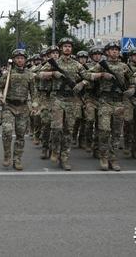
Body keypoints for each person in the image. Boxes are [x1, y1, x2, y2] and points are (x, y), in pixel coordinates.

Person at [84, 41, 135, 171]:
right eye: (112, 50)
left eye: (117, 50)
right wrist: (100, 75)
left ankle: (113, 158)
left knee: (117, 132)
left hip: (119, 101)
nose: (115, 52)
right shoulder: (101, 65)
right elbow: (85, 74)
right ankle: (104, 157)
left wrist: (132, 88)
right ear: (107, 52)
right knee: (104, 130)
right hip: (104, 101)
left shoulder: (124, 66)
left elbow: (132, 79)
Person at [37, 37, 85, 171]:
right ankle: (55, 150)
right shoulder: (54, 62)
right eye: (65, 46)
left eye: (69, 46)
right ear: (61, 48)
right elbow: (39, 74)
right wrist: (53, 73)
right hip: (57, 98)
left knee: (68, 130)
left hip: (71, 100)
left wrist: (82, 83)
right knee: (56, 128)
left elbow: (88, 76)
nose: (67, 48)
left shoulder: (77, 65)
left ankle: (64, 157)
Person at [0, 49, 38, 170]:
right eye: (17, 58)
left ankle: (17, 159)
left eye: (22, 58)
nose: (20, 60)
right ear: (14, 60)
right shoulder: (7, 74)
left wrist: (34, 105)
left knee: (20, 135)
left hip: (23, 107)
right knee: (7, 131)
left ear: (25, 60)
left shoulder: (30, 75)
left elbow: (34, 93)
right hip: (9, 106)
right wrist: (0, 97)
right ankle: (7, 155)